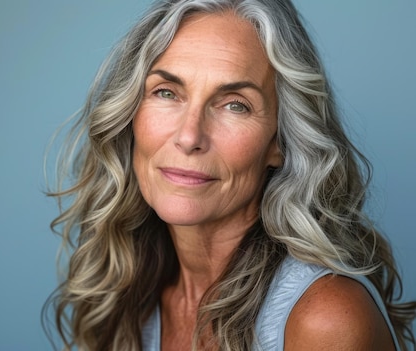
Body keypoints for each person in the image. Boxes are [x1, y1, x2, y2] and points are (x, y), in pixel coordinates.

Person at [44, 0, 416, 350]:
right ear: (130, 116)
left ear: (280, 142)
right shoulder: (128, 294)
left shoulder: (325, 318)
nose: (189, 136)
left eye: (235, 105)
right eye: (167, 92)